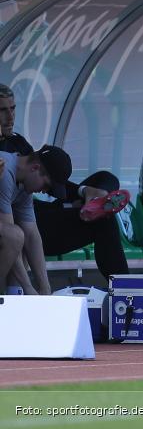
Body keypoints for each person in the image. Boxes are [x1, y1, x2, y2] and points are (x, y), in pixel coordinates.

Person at [0, 85, 129, 288]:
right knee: (17, 232)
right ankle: (125, 290)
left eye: (13, 108)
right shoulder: (7, 165)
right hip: (14, 223)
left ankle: (91, 199)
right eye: (3, 110)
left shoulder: (18, 145)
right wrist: (30, 289)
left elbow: (46, 178)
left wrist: (81, 192)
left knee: (106, 180)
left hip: (31, 215)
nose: (10, 117)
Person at [0, 145, 72, 295]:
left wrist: (45, 288)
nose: (45, 191)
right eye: (46, 185)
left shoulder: (23, 186)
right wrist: (29, 287)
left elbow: (32, 236)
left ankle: (15, 298)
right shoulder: (4, 171)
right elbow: (10, 239)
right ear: (35, 168)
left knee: (23, 240)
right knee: (15, 237)